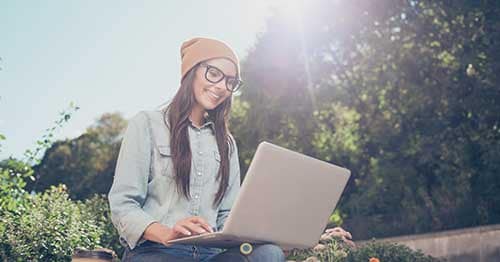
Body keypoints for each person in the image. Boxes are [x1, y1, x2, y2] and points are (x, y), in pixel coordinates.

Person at [108, 37, 287, 261]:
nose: (222, 87)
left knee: (270, 253)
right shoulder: (146, 124)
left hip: (210, 255)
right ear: (191, 71)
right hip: (156, 251)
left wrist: (259, 232)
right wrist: (166, 233)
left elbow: (226, 215)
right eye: (214, 74)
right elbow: (123, 204)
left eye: (230, 82)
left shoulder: (227, 143)